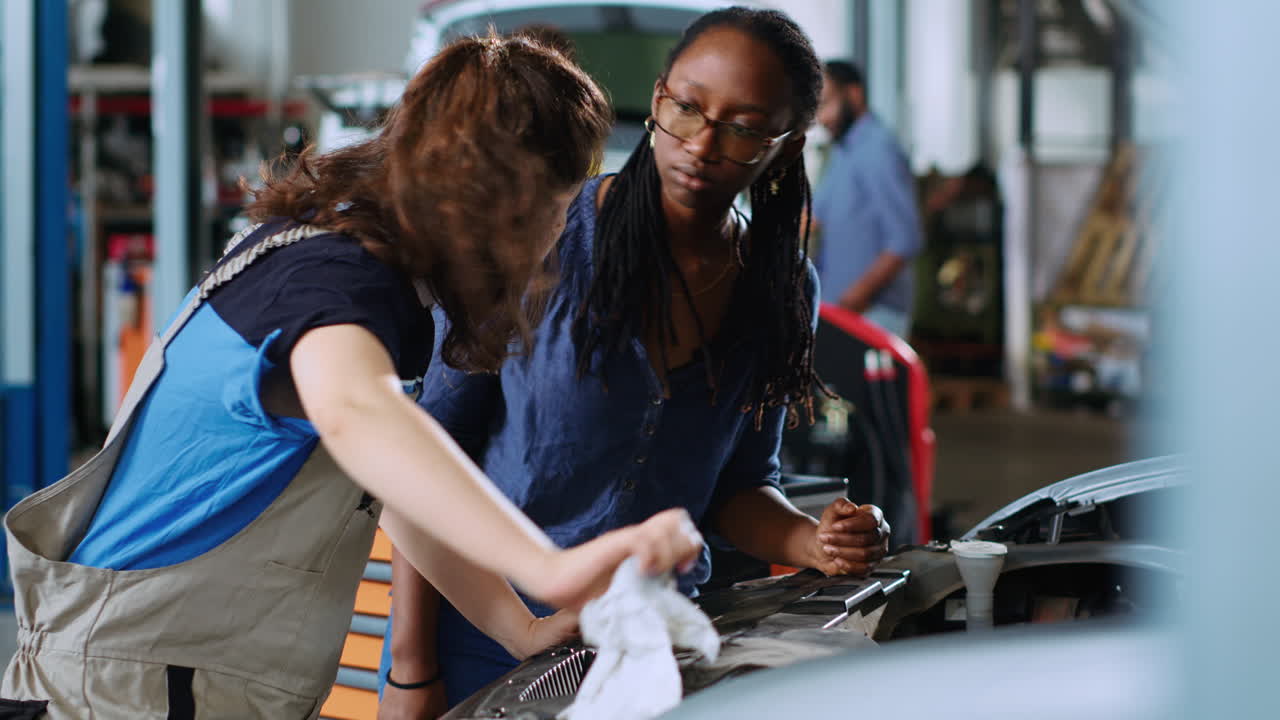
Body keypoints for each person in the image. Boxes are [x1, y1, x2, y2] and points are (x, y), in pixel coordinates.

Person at [0, 34, 703, 719]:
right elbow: (356, 413)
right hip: (128, 688)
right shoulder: (336, 278)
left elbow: (390, 486)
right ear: (508, 201)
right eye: (559, 208)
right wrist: (550, 567)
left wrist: (517, 627)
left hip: (149, 673)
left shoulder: (336, 263)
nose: (558, 237)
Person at [379, 9, 892, 717]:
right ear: (657, 101)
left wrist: (813, 540)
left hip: (654, 652)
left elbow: (737, 486)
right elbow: (415, 466)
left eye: (742, 126)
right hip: (485, 644)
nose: (704, 144)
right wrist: (410, 669)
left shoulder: (780, 289)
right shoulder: (539, 246)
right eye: (687, 108)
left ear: (785, 143)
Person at [812, 60, 923, 339]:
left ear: (854, 94)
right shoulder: (842, 152)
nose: (822, 119)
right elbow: (813, 219)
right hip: (839, 314)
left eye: (826, 104)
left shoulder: (878, 149)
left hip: (872, 316)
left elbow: (904, 240)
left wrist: (853, 300)